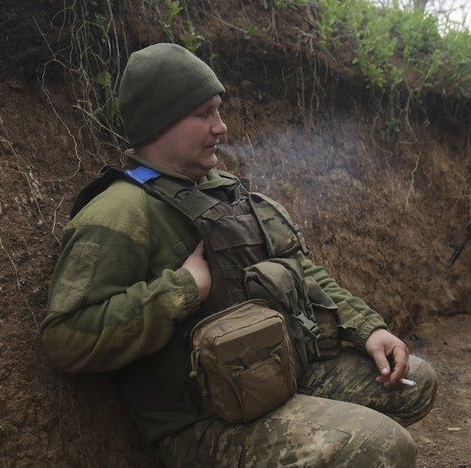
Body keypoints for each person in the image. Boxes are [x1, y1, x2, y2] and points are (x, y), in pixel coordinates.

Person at [41, 43, 438, 466]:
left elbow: (301, 269)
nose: (221, 127)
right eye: (203, 114)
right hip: (203, 420)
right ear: (160, 124)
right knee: (382, 446)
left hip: (281, 373)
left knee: (417, 379)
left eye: (219, 111)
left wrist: (367, 328)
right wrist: (182, 289)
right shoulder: (119, 212)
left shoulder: (226, 190)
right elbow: (65, 338)